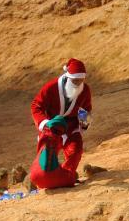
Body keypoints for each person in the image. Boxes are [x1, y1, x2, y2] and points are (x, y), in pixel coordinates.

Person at [29, 59, 92, 189]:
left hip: (71, 127)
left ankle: (67, 177)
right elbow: (36, 106)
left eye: (81, 80)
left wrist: (83, 126)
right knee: (47, 157)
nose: (78, 83)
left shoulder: (85, 90)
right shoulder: (51, 87)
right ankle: (45, 178)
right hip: (52, 127)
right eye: (75, 80)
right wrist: (45, 123)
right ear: (68, 77)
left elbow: (86, 109)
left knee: (76, 151)